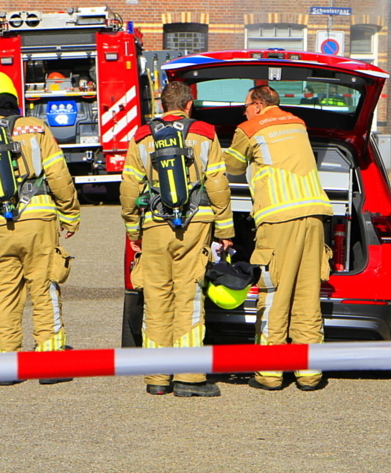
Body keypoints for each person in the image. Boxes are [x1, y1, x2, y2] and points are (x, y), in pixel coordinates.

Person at [0, 71, 80, 385]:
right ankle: (50, 361)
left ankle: (6, 365)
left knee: (1, 293)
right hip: (38, 220)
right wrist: (70, 214)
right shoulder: (35, 129)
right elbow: (58, 175)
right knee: (44, 286)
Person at [120, 81, 234, 397]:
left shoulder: (142, 136)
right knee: (189, 296)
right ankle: (189, 377)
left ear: (162, 105)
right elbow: (218, 184)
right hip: (196, 225)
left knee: (156, 297)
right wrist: (224, 231)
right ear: (188, 105)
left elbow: (129, 189)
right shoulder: (206, 133)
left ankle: (157, 378)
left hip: (154, 225)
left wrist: (134, 231)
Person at [225, 85, 333, 391]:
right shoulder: (298, 123)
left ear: (257, 105)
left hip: (278, 218)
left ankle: (270, 374)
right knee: (307, 294)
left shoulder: (249, 127)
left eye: (245, 106)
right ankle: (309, 374)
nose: (242, 112)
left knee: (275, 294)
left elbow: (231, 166)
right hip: (314, 216)